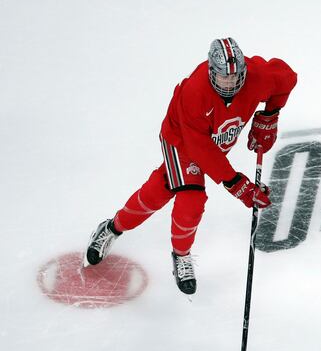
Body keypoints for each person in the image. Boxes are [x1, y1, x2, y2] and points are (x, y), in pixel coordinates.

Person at [83, 37, 297, 295]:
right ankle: (180, 255)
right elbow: (199, 148)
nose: (231, 83)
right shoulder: (195, 92)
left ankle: (112, 228)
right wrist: (236, 183)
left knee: (160, 189)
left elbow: (287, 78)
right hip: (181, 141)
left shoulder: (258, 77)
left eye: (236, 76)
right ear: (212, 72)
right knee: (191, 198)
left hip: (211, 143)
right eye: (224, 77)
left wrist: (270, 115)